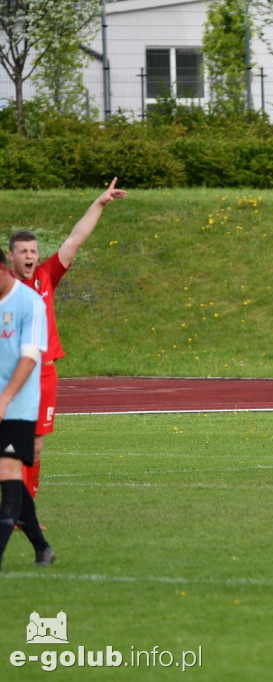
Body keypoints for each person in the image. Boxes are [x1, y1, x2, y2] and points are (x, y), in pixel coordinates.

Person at [7, 178, 127, 501]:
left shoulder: (47, 274)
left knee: (35, 445)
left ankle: (24, 512)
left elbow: (77, 238)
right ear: (11, 256)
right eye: (23, 251)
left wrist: (99, 203)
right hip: (13, 374)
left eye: (33, 250)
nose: (30, 256)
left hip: (45, 373)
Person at [0, 250, 53, 571]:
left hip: (17, 405)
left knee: (7, 473)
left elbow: (30, 357)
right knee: (12, 481)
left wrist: (4, 399)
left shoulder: (30, 303)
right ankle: (42, 547)